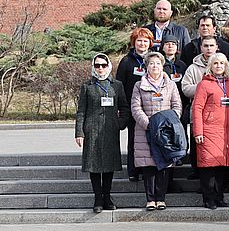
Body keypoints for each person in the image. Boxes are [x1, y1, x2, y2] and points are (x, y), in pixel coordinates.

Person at [75, 53, 130, 213]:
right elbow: (81, 111)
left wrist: (120, 124)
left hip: (110, 130)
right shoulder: (87, 86)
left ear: (109, 66)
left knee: (108, 164)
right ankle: (97, 197)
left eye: (103, 65)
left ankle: (107, 196)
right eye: (97, 65)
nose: (100, 68)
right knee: (93, 164)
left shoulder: (117, 85)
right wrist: (79, 132)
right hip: (91, 129)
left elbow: (124, 107)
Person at [131, 52, 183, 211]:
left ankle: (161, 198)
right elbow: (136, 108)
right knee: (148, 166)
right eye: (152, 63)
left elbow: (177, 106)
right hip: (145, 130)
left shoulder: (171, 85)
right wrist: (148, 124)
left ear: (162, 66)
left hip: (166, 132)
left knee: (164, 164)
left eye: (158, 63)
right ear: (147, 66)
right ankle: (150, 199)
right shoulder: (139, 85)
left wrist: (169, 123)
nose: (155, 66)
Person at [191, 53, 229, 210]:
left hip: (226, 131)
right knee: (208, 166)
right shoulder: (204, 84)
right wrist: (198, 132)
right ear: (210, 66)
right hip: (209, 130)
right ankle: (209, 198)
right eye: (215, 63)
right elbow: (197, 108)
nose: (219, 66)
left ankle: (219, 197)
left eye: (222, 63)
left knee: (222, 166)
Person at [116, 27, 154, 183]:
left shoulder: (154, 59)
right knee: (134, 139)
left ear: (150, 43)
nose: (142, 44)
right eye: (139, 41)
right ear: (134, 42)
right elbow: (119, 85)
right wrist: (121, 107)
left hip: (151, 106)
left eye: (145, 41)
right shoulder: (126, 61)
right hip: (133, 107)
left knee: (150, 139)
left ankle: (148, 169)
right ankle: (133, 170)